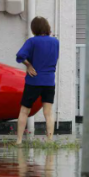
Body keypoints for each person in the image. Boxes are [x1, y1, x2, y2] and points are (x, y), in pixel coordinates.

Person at [16, 17, 60, 145]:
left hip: (33, 81)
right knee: (48, 112)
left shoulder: (32, 41)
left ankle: (19, 141)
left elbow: (20, 55)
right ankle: (50, 141)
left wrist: (28, 65)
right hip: (49, 81)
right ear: (47, 27)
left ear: (34, 28)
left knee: (24, 111)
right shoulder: (55, 42)